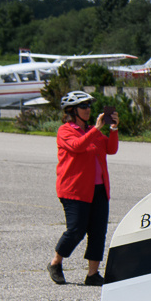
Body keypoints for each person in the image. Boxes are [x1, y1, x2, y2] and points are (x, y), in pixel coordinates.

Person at [49, 90, 118, 286]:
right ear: (72, 110)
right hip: (74, 189)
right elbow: (77, 146)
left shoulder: (92, 132)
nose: (88, 110)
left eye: (88, 106)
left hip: (98, 189)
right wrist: (96, 129)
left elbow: (111, 149)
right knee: (76, 230)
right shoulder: (65, 131)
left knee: (98, 231)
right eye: (83, 106)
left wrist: (113, 129)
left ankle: (92, 274)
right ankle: (55, 263)